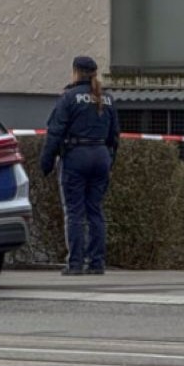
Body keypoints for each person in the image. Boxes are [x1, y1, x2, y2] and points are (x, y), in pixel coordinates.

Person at [40, 55, 119, 276]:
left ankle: (75, 263)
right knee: (95, 211)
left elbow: (55, 132)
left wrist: (45, 163)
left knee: (74, 212)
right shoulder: (107, 99)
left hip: (76, 156)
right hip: (101, 155)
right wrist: (109, 160)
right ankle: (96, 263)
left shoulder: (69, 98)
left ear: (75, 71)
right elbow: (115, 136)